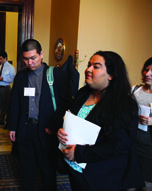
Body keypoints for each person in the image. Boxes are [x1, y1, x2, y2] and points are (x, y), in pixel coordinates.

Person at [57, 51, 145, 191]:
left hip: (102, 176)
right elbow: (73, 120)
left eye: (96, 66)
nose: (88, 70)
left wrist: (79, 153)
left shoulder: (124, 104)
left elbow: (120, 145)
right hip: (76, 169)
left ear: (111, 75)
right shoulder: (83, 93)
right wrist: (62, 132)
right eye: (89, 65)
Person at [9, 39, 73, 191]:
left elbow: (65, 103)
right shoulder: (21, 77)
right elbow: (15, 103)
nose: (29, 63)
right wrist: (12, 127)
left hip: (46, 129)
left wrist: (54, 123)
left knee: (47, 170)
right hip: (25, 129)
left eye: (33, 58)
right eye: (25, 59)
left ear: (41, 54)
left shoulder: (56, 75)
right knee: (26, 168)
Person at [131, 57, 152, 191]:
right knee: (129, 183)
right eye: (146, 69)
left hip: (149, 148)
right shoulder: (134, 90)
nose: (147, 74)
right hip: (132, 143)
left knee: (147, 185)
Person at [0, 51, 15, 126]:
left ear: (5, 58)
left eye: (1, 59)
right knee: (1, 105)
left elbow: (12, 79)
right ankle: (1, 120)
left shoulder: (10, 67)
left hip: (6, 88)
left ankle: (8, 122)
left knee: (7, 105)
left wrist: (3, 78)